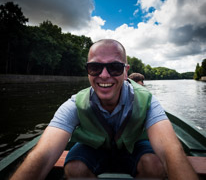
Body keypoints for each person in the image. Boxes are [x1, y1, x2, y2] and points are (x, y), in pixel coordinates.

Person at [10, 39, 198, 180]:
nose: (104, 75)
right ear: (88, 70)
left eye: (115, 67)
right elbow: (43, 156)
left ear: (126, 71)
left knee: (155, 164)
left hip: (133, 146)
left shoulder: (147, 100)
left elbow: (170, 151)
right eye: (95, 67)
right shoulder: (74, 104)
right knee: (74, 168)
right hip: (94, 148)